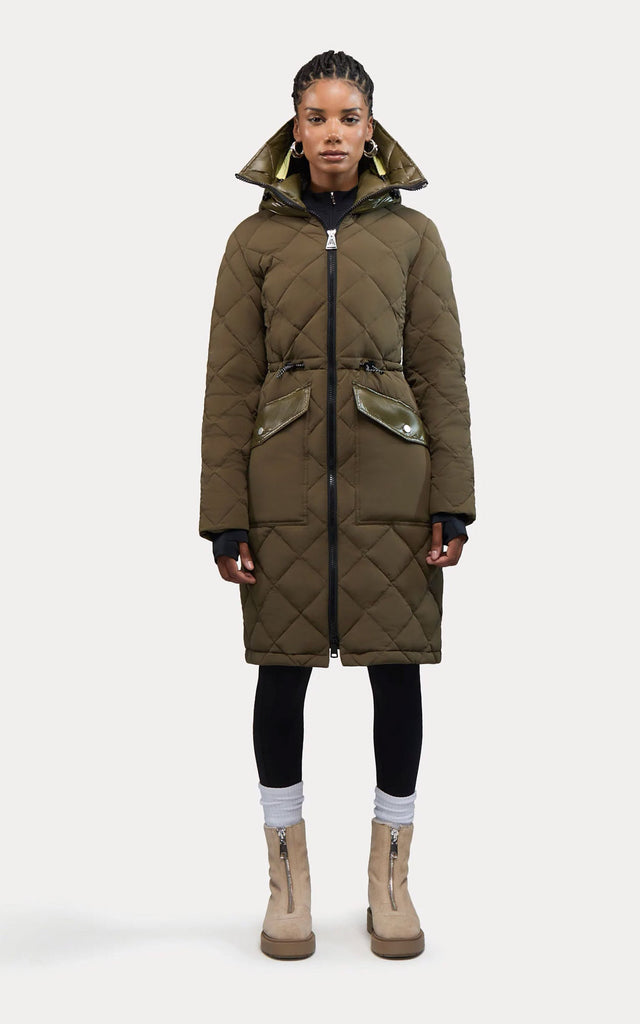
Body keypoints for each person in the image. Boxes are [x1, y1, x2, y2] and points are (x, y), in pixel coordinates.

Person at [198, 50, 476, 960]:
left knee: (397, 671)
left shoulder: (414, 238)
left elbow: (441, 375)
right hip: (279, 487)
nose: (332, 133)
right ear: (294, 127)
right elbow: (229, 385)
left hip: (394, 485)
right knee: (281, 674)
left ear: (371, 128)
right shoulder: (252, 243)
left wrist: (453, 500)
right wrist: (225, 514)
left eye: (348, 117)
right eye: (316, 117)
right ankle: (288, 883)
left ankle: (391, 879)